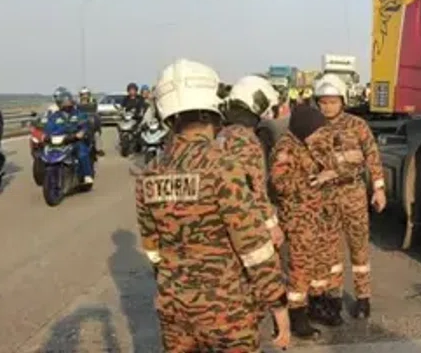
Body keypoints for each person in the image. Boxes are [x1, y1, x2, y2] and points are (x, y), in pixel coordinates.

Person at [135, 58, 290, 351]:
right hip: (226, 313)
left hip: (175, 310)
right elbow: (254, 248)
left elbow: (153, 250)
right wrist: (278, 306)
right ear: (213, 111)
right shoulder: (224, 168)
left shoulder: (149, 174)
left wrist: (176, 282)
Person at [314, 74, 386, 319]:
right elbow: (314, 162)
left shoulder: (358, 125)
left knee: (359, 249)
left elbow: (371, 156)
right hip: (326, 196)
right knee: (330, 250)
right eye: (323, 102)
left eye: (332, 101)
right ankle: (334, 297)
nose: (328, 107)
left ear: (342, 101)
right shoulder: (313, 129)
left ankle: (363, 298)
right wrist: (344, 160)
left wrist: (378, 188)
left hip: (353, 193)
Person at [269, 104, 343, 335]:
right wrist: (315, 179)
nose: (319, 134)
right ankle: (297, 316)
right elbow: (280, 185)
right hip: (298, 219)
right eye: (316, 130)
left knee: (318, 266)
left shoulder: (307, 144)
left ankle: (316, 307)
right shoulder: (285, 149)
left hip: (317, 217)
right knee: (299, 269)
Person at [217, 75, 285, 251]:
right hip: (243, 220)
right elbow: (256, 189)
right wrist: (272, 225)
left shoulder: (221, 133)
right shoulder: (246, 139)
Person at [45, 89, 95, 184]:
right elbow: (48, 128)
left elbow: (85, 125)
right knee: (46, 153)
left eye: (67, 101)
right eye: (63, 101)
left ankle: (86, 175)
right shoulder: (55, 116)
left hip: (74, 140)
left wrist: (81, 132)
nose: (65, 103)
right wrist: (45, 136)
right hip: (60, 142)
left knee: (82, 152)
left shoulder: (78, 114)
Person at [78, 87, 103, 155]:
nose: (85, 96)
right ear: (80, 95)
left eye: (86, 94)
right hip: (82, 122)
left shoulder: (93, 102)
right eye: (83, 94)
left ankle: (99, 149)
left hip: (92, 122)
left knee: (97, 134)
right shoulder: (77, 104)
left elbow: (95, 111)